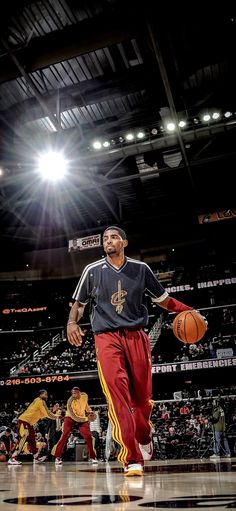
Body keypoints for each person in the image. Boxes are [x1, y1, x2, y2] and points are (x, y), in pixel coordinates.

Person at [67, 226, 197, 477]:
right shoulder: (91, 270)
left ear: (124, 242)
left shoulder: (141, 269)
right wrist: (72, 322)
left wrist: (188, 311)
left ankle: (143, 435)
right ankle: (132, 458)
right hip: (106, 338)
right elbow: (79, 304)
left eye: (113, 237)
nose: (108, 241)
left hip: (137, 336)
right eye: (105, 238)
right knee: (118, 399)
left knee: (141, 401)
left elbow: (164, 301)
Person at [8, 389, 59, 465]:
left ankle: (36, 457)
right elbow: (47, 413)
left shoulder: (38, 401)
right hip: (24, 420)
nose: (47, 396)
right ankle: (12, 457)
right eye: (45, 394)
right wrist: (57, 416)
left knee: (32, 439)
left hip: (28, 423)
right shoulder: (41, 401)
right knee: (24, 437)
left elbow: (44, 414)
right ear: (41, 395)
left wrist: (53, 411)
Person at [52, 387, 98, 465]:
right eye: (72, 394)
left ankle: (93, 457)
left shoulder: (84, 396)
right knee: (65, 435)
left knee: (88, 436)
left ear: (79, 393)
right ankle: (57, 457)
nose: (73, 395)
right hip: (70, 418)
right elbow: (75, 417)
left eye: (75, 393)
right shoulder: (70, 402)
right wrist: (86, 418)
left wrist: (90, 412)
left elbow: (85, 405)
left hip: (82, 418)